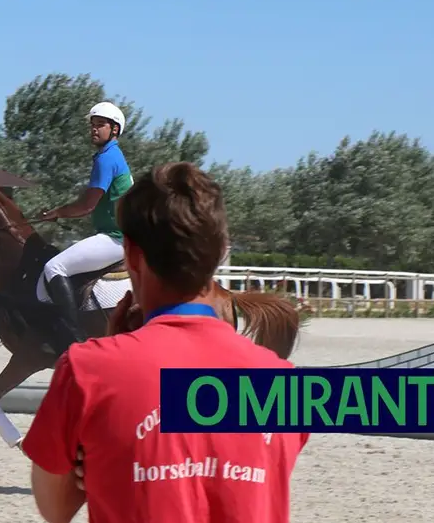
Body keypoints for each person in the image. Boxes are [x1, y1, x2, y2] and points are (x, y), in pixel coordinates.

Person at [22, 162, 309, 523]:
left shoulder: (86, 370)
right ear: (221, 250)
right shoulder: (287, 384)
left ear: (132, 256)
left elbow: (55, 508)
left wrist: (94, 451)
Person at [34, 100, 133, 353]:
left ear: (114, 130)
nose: (94, 130)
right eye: (92, 125)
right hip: (118, 236)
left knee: (54, 266)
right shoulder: (109, 156)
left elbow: (88, 205)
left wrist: (57, 212)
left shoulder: (107, 158)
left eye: (100, 125)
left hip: (115, 238)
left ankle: (73, 336)